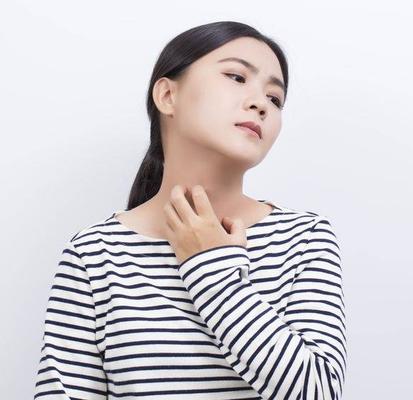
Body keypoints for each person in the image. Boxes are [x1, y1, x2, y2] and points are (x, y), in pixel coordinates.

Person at [34, 21, 347, 399]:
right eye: (236, 77)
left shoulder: (303, 239)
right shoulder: (94, 253)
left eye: (275, 98)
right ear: (168, 95)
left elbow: (319, 392)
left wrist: (212, 269)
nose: (261, 103)